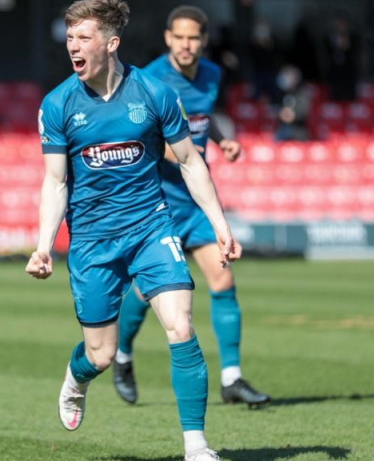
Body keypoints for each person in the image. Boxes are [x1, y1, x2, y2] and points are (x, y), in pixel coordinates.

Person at [26, 1, 240, 460]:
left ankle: (197, 447)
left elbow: (189, 161)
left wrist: (220, 225)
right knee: (100, 355)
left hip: (150, 228)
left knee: (180, 324)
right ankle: (76, 377)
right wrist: (44, 245)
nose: (73, 47)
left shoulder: (155, 92)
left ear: (111, 43)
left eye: (83, 38)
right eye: (70, 39)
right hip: (91, 241)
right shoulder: (58, 103)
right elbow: (55, 180)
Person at [114, 5, 271, 410]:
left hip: (197, 204)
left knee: (222, 283)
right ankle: (122, 354)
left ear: (202, 41)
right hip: (158, 204)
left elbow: (203, 119)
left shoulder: (212, 75)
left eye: (194, 38)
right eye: (179, 37)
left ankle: (231, 378)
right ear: (169, 38)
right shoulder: (147, 79)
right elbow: (141, 136)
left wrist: (223, 141)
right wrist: (179, 153)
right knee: (146, 292)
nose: (187, 45)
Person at [274, 64, 311, 141]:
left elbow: (302, 113)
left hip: (298, 133)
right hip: (282, 131)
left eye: (287, 76)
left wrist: (290, 115)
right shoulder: (281, 93)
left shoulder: (302, 93)